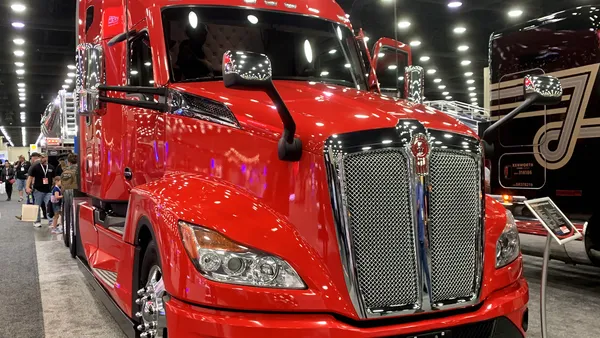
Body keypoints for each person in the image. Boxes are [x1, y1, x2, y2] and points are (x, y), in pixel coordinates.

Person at [26, 153, 56, 228]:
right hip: (38, 190)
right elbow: (30, 177)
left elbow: (54, 178)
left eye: (45, 157)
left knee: (49, 205)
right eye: (42, 157)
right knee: (37, 206)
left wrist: (54, 186)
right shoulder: (35, 167)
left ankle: (51, 220)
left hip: (48, 190)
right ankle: (37, 221)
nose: (43, 159)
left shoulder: (51, 167)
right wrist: (27, 187)